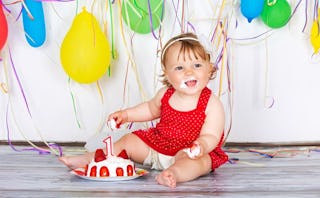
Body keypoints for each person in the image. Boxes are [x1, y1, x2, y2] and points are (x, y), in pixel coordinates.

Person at [59, 32, 228, 188]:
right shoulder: (165, 95)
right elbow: (149, 109)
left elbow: (211, 135)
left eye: (197, 65)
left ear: (210, 69)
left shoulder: (211, 104)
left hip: (188, 153)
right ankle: (90, 160)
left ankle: (172, 174)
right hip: (157, 146)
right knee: (127, 141)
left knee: (198, 163)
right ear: (167, 75)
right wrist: (126, 115)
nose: (189, 72)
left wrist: (201, 146)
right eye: (179, 68)